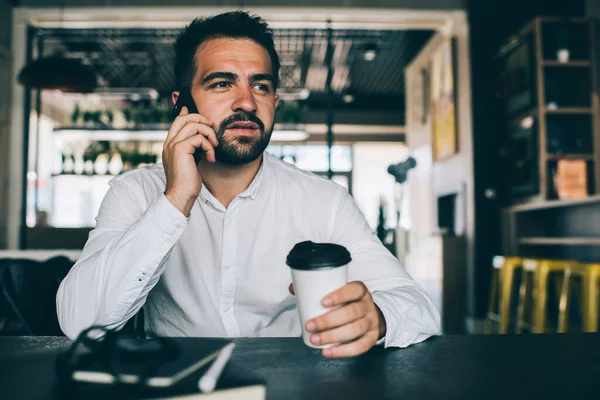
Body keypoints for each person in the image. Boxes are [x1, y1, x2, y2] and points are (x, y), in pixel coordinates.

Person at [56, 11, 440, 358]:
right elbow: (79, 322)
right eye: (222, 84)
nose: (246, 102)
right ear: (181, 104)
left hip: (294, 385)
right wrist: (175, 201)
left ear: (274, 99)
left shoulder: (325, 201)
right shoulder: (135, 193)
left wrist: (379, 319)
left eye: (260, 86)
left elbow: (418, 307)